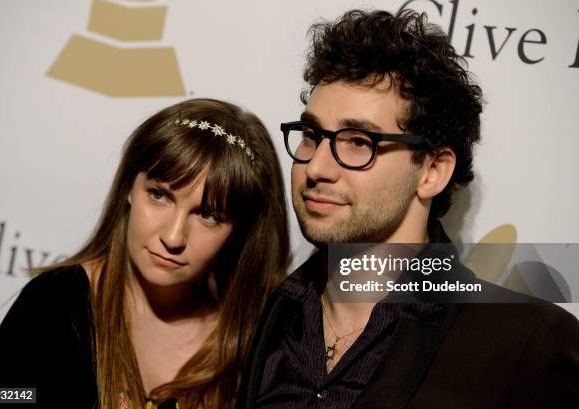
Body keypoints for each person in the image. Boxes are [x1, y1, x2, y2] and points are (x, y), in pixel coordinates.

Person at [236, 9, 579, 409]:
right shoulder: (264, 313)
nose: (315, 167)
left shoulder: (526, 343)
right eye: (312, 135)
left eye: (358, 142)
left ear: (432, 171)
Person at [0, 99, 290, 409]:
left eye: (208, 214)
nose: (173, 236)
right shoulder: (56, 300)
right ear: (129, 188)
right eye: (159, 195)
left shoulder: (252, 340)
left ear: (240, 231)